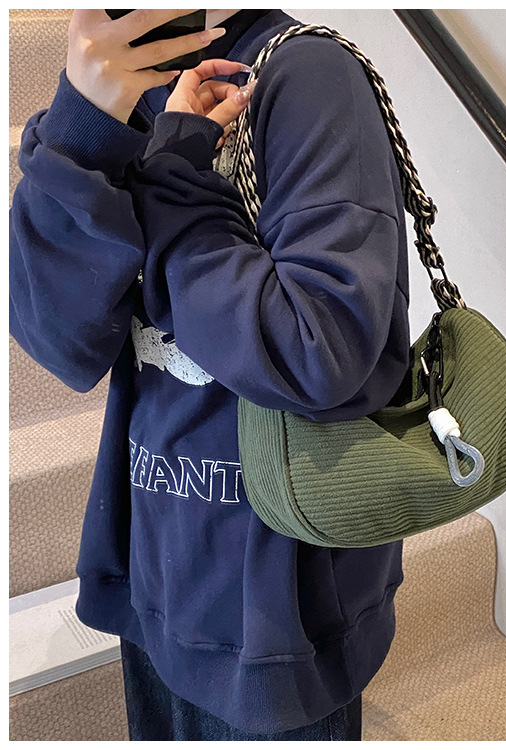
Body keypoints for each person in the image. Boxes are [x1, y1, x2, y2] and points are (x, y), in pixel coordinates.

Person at [9, 8, 411, 741]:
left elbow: (317, 353)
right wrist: (80, 127)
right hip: (159, 557)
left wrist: (175, 184)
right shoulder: (117, 97)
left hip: (276, 595)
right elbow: (57, 342)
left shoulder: (304, 77)